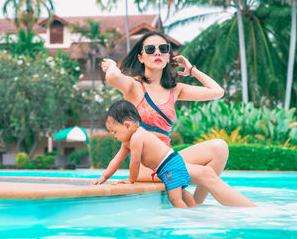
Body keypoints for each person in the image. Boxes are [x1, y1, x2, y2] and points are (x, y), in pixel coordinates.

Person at [99, 31, 256, 207]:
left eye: (163, 49)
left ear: (168, 57)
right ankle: (254, 213)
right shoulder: (134, 86)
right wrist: (112, 65)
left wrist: (192, 70)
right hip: (146, 166)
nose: (157, 52)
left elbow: (218, 92)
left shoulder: (176, 89)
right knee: (206, 173)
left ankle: (195, 205)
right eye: (150, 49)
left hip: (168, 159)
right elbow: (113, 77)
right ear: (141, 58)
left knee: (219, 147)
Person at [93, 100, 196, 208]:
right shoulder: (128, 141)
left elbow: (135, 162)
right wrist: (104, 177)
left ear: (127, 125)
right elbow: (116, 160)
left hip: (169, 166)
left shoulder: (137, 137)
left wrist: (131, 179)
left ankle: (185, 221)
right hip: (172, 162)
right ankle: (194, 211)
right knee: (182, 193)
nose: (114, 136)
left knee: (175, 199)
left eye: (114, 132)